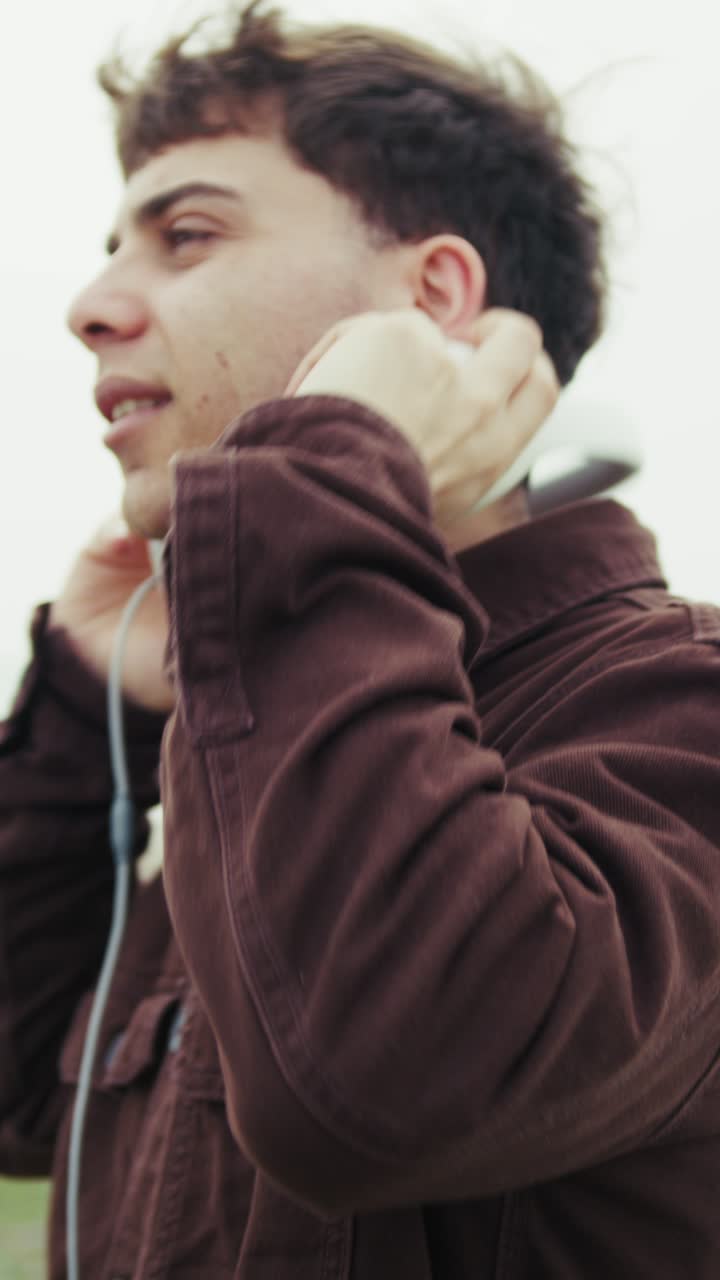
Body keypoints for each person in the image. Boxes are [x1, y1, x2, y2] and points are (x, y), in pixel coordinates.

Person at [2, 3, 720, 1277]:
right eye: (114, 246)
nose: (92, 304)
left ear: (434, 296)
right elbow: (15, 1090)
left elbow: (381, 1084)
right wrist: (77, 712)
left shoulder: (679, 702)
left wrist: (305, 496)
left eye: (188, 235)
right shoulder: (243, 731)